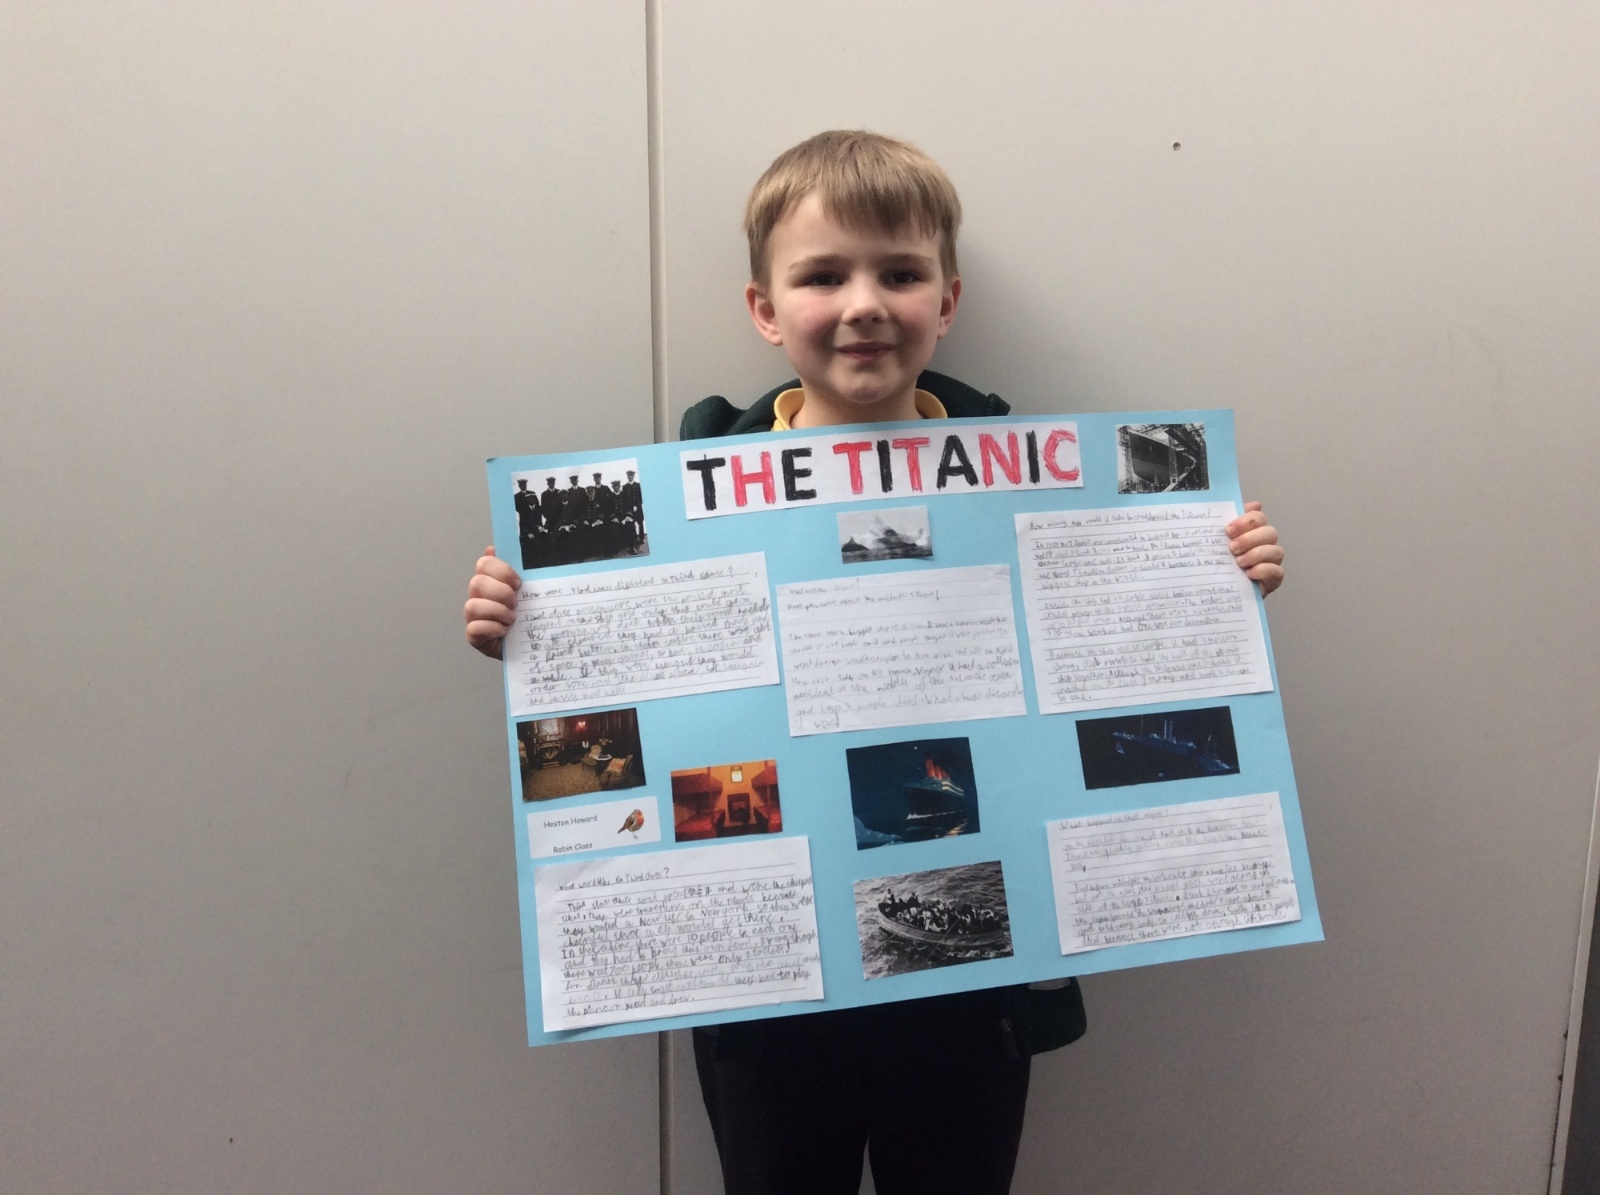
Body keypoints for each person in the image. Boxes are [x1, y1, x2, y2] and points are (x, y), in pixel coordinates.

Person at [463, 131, 1285, 1195]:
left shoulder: (1042, 484)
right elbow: (622, 710)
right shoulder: (680, 493)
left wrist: (1212, 584)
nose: (864, 305)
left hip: (970, 965)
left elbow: (1114, 652)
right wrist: (530, 629)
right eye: (822, 276)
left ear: (946, 302)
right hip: (768, 975)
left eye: (899, 274)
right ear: (765, 309)